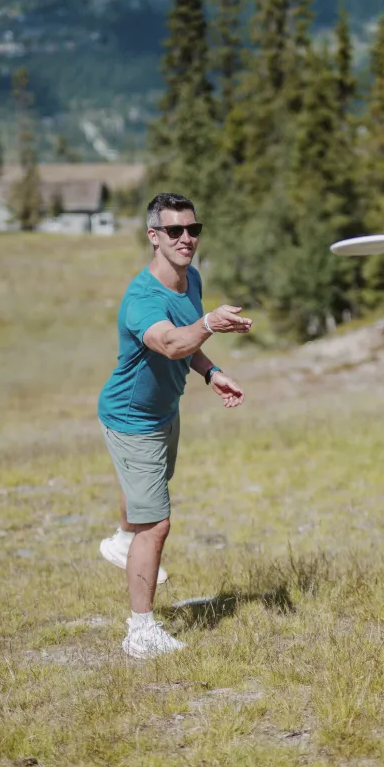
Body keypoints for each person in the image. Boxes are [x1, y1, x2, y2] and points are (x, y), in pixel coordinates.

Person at [97, 193, 252, 659]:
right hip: (132, 419)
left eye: (193, 229)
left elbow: (188, 339)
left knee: (148, 492)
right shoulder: (141, 299)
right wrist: (209, 323)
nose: (186, 238)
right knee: (156, 524)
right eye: (174, 231)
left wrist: (211, 372)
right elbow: (170, 343)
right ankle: (140, 631)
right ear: (154, 236)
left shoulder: (191, 279)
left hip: (164, 410)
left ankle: (122, 540)